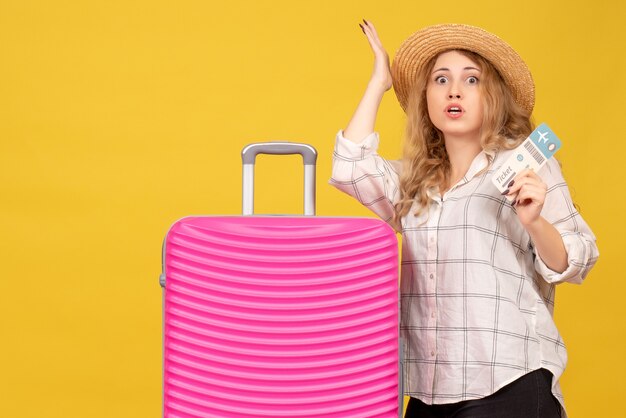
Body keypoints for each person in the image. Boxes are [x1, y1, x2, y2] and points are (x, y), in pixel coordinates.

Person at [329, 20, 599, 418]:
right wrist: (378, 83)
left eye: (471, 80)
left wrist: (535, 221)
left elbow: (578, 259)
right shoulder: (415, 182)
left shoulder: (528, 167)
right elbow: (349, 166)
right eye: (440, 79)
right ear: (426, 98)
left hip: (508, 382)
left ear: (494, 96)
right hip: (428, 389)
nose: (454, 90)